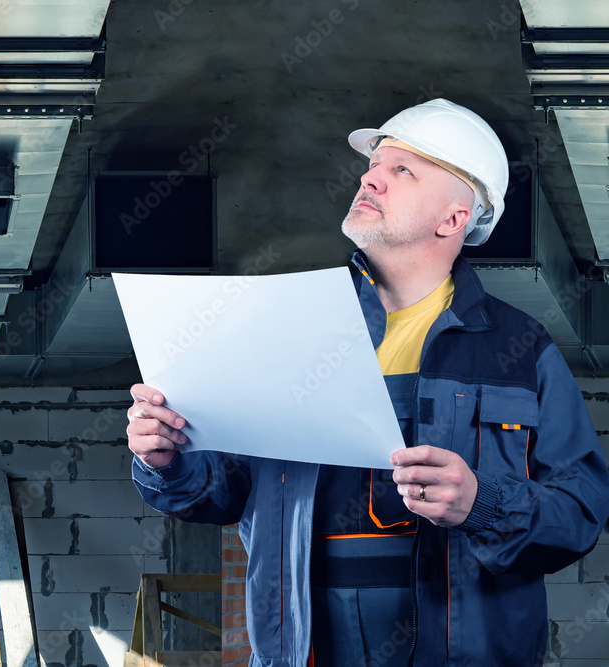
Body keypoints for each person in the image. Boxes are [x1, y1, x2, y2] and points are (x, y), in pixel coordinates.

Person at [127, 98, 609, 666]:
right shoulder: (290, 333)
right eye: (374, 166)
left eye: (402, 170)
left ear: (454, 219)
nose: (371, 177)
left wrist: (483, 503)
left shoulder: (519, 351)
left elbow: (579, 515)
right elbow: (227, 488)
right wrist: (167, 459)